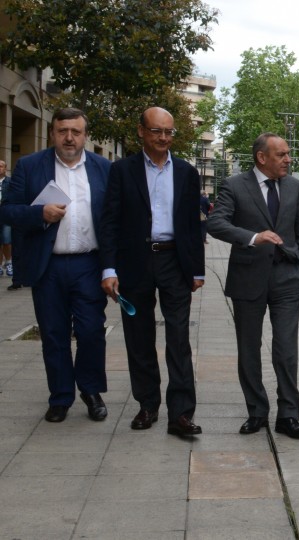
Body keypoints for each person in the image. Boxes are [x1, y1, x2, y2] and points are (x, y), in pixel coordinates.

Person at [0, 108, 111, 422]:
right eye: (63, 131)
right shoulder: (31, 166)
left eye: (76, 131)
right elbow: (7, 211)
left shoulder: (103, 168)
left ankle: (91, 390)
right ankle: (60, 396)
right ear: (52, 133)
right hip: (48, 266)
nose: (69, 137)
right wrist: (39, 214)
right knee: (53, 334)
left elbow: (114, 220)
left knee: (91, 331)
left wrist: (113, 267)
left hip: (89, 264)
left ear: (85, 135)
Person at [99, 107, 205, 437]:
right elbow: (110, 222)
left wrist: (198, 270)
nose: (163, 138)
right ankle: (147, 405)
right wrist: (109, 267)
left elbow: (192, 225)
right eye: (157, 131)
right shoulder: (122, 170)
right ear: (141, 132)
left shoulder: (187, 172)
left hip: (175, 262)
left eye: (169, 132)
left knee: (179, 338)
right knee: (139, 338)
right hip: (135, 262)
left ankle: (181, 414)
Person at [207, 133, 299, 439]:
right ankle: (256, 411)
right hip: (248, 278)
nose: (288, 159)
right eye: (281, 154)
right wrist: (254, 237)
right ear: (261, 158)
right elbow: (216, 224)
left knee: (286, 349)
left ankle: (289, 416)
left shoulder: (294, 186)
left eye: (288, 154)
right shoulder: (235, 185)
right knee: (248, 349)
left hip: (288, 279)